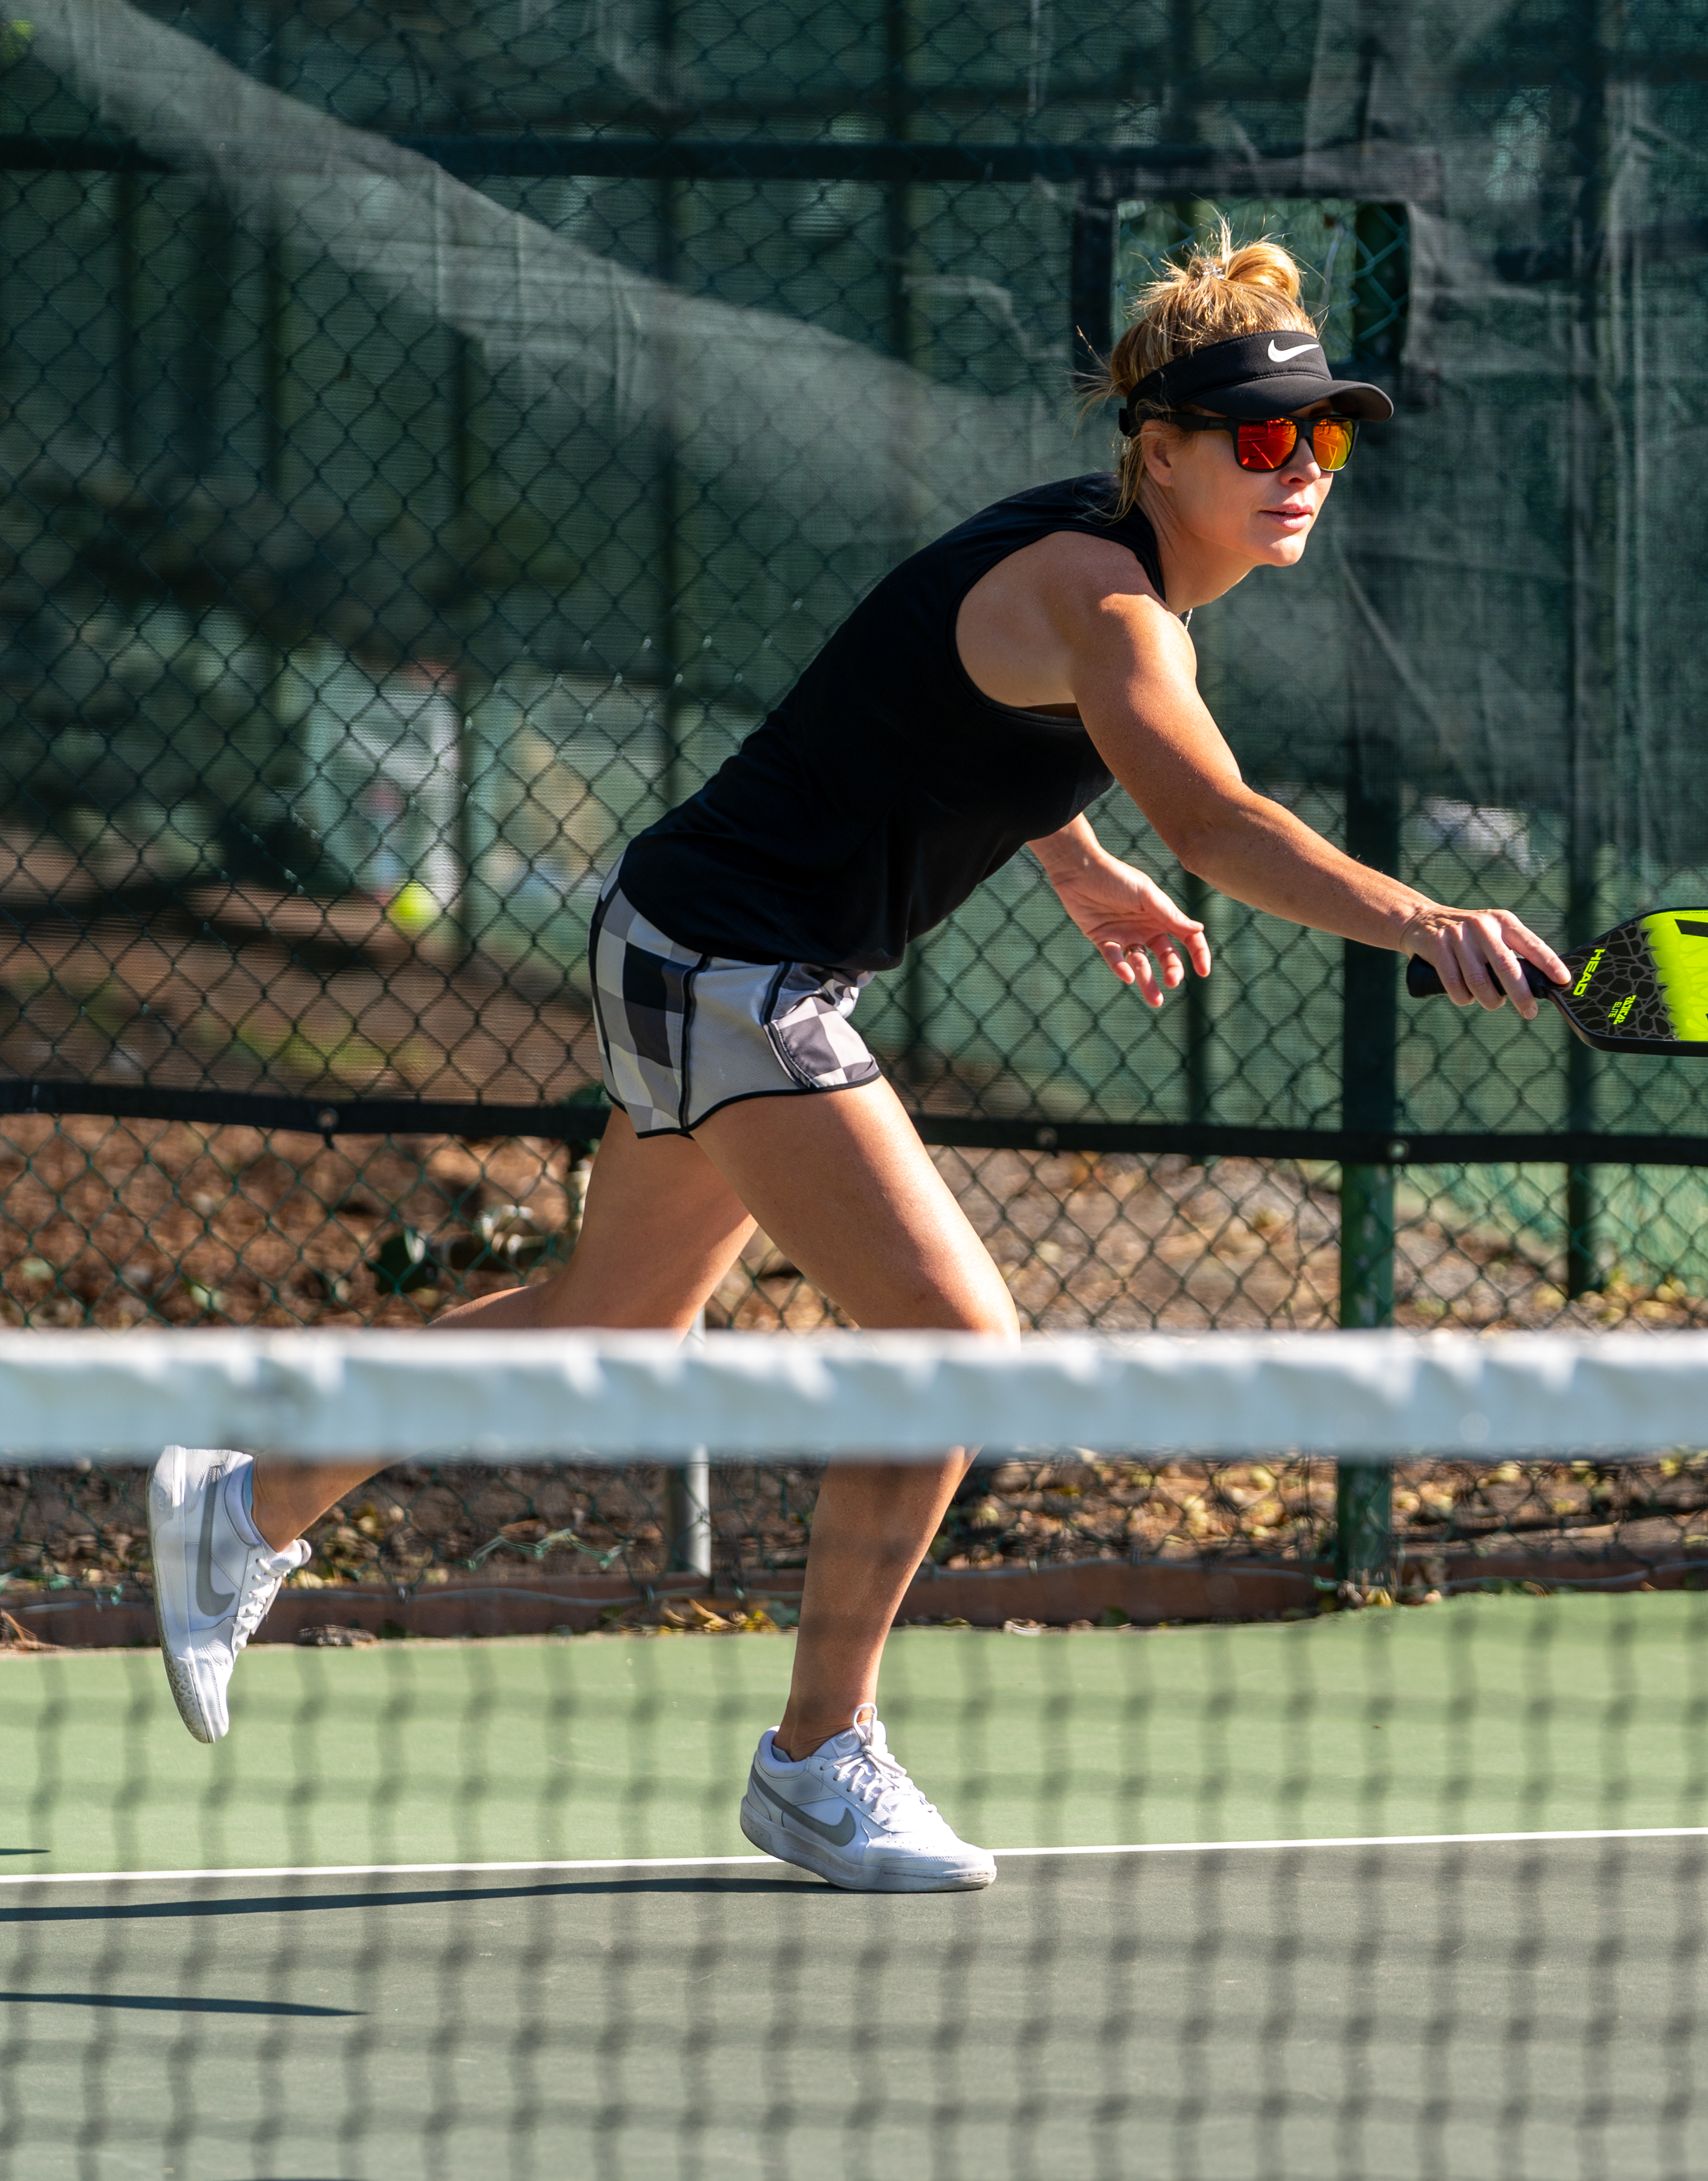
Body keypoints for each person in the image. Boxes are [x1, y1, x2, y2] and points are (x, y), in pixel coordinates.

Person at [141, 234, 1571, 1888]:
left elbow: (945, 702)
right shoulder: (1115, 605)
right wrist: (1421, 918)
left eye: (1322, 440)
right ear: (1159, 451)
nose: (1300, 472)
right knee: (955, 1342)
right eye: (1261, 441)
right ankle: (818, 1758)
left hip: (681, 933)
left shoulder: (1085, 555)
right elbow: (1215, 816)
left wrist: (1070, 853)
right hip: (733, 961)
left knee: (615, 1321)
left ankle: (246, 1502)